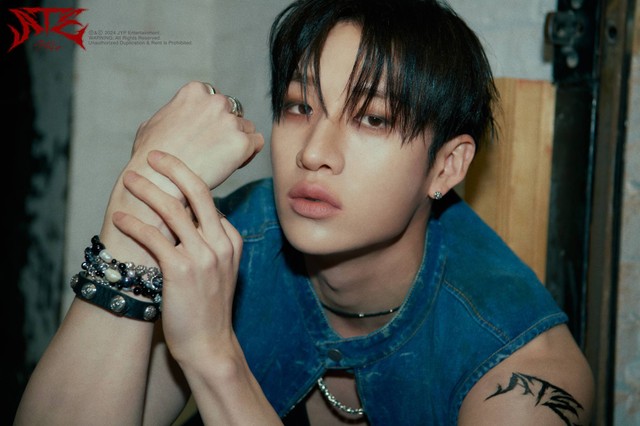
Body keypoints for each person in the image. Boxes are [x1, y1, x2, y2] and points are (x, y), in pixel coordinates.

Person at [14, 0, 594, 424]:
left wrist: (214, 357)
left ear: (446, 166)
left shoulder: (519, 369)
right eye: (298, 106)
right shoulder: (230, 242)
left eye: (373, 118)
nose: (313, 152)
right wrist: (139, 209)